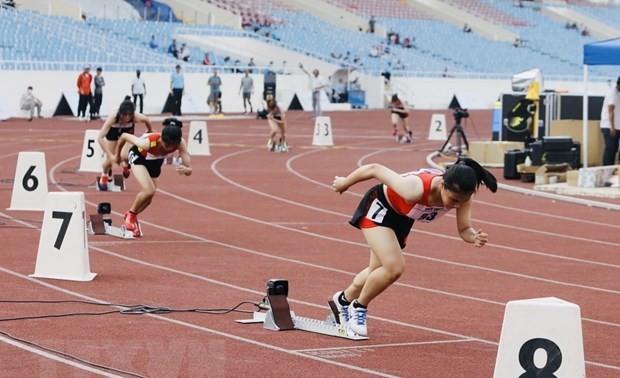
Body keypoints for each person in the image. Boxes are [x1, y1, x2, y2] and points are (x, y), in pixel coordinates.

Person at [330, 157, 498, 336]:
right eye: (453, 200)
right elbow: (374, 168)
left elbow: (464, 228)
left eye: (461, 202)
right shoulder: (414, 188)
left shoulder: (463, 196)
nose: (456, 205)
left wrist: (474, 237)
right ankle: (359, 307)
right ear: (442, 185)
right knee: (394, 268)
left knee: (377, 271)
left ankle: (343, 300)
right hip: (380, 208)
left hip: (403, 218)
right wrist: (345, 183)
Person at [114, 118, 192, 237]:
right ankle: (130, 215)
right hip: (138, 156)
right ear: (161, 139)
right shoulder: (147, 142)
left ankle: (131, 215)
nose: (169, 149)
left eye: (172, 146)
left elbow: (188, 169)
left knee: (149, 198)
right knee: (148, 190)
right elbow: (124, 136)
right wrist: (117, 157)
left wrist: (188, 170)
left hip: (155, 161)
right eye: (166, 145)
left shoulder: (180, 143)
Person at [96, 96, 153, 191]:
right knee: (112, 160)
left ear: (132, 115)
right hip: (113, 131)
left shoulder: (135, 117)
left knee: (124, 155)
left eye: (129, 115)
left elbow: (147, 120)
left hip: (127, 131)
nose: (126, 118)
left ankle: (125, 163)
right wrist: (110, 155)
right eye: (124, 115)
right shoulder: (113, 118)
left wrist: (149, 131)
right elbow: (100, 138)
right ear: (120, 113)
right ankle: (104, 174)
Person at [600, 77, 620, 166]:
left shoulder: (617, 94)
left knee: (614, 149)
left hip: (615, 126)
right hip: (610, 127)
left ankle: (610, 169)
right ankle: (606, 169)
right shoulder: (612, 94)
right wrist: (612, 127)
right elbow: (610, 110)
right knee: (610, 149)